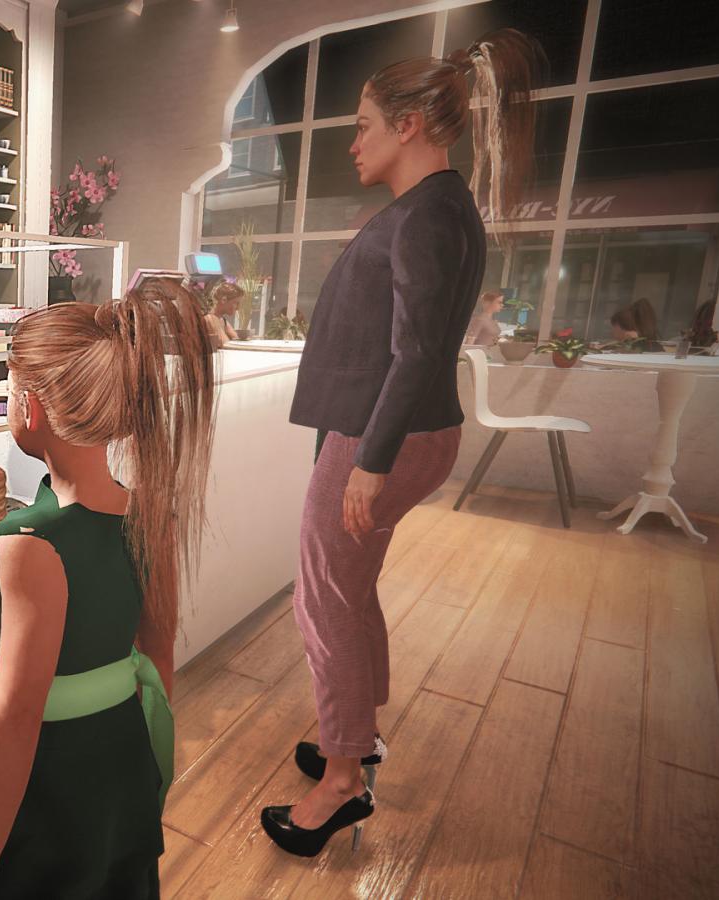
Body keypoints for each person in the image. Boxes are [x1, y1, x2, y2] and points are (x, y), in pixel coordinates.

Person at [273, 28, 542, 858]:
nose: (354, 143)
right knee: (349, 591)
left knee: (324, 599)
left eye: (364, 126)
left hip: (380, 434)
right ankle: (356, 738)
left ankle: (342, 781)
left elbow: (416, 351)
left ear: (410, 125)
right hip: (388, 429)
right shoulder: (439, 209)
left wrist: (370, 460)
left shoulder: (427, 214)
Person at [0, 279, 216, 900]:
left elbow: (17, 714)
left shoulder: (31, 540)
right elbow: (159, 652)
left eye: (7, 389)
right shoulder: (151, 515)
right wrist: (143, 760)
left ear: (30, 407)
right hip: (121, 749)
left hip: (50, 772)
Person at [205, 280, 243, 345]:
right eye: (236, 303)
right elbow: (227, 345)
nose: (238, 308)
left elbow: (237, 342)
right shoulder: (210, 319)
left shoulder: (222, 320)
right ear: (224, 300)